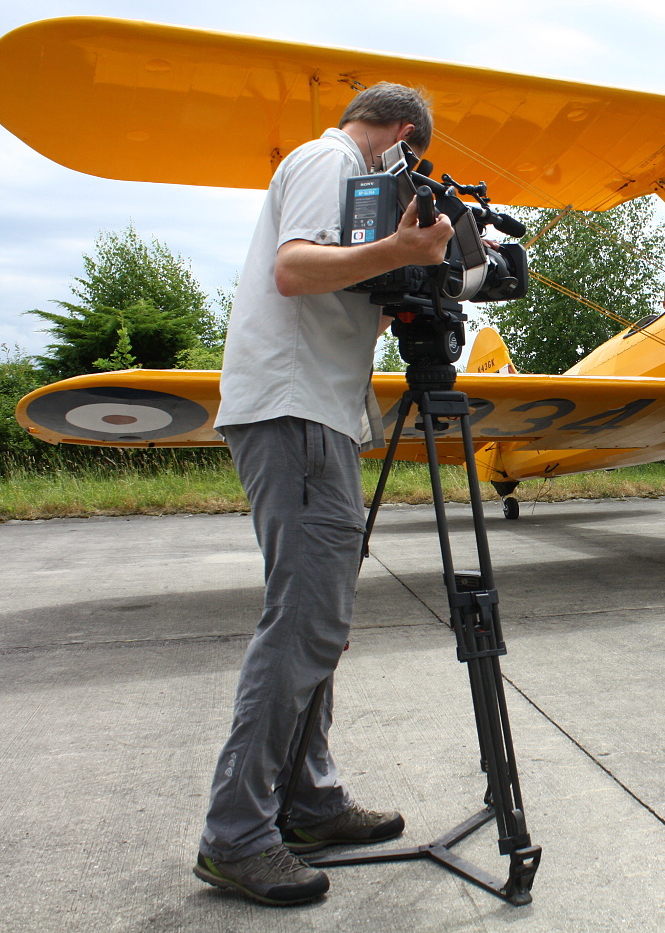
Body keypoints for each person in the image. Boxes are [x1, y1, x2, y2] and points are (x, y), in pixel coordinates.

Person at [194, 83, 455, 906]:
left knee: (317, 619)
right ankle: (237, 833)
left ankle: (306, 800)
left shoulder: (351, 181)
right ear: (403, 137)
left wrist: (402, 279)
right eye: (411, 161)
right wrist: (402, 254)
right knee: (304, 620)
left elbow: (332, 288)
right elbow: (295, 267)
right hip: (295, 410)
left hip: (316, 413)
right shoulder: (330, 158)